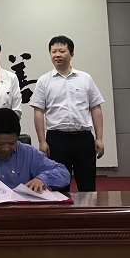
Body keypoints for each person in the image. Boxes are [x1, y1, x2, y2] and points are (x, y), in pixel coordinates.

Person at [29, 35, 104, 192]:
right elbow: (38, 112)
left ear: (71, 54)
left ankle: (88, 208)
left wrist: (99, 138)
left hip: (83, 138)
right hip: (57, 139)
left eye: (62, 51)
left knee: (88, 185)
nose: (57, 55)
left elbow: (95, 108)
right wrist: (42, 141)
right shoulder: (44, 80)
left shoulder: (85, 78)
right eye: (53, 51)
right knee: (59, 186)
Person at [0, 107, 69, 193]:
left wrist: (42, 179)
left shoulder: (28, 153)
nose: (5, 149)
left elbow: (64, 173)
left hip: (20, 210)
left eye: (11, 143)